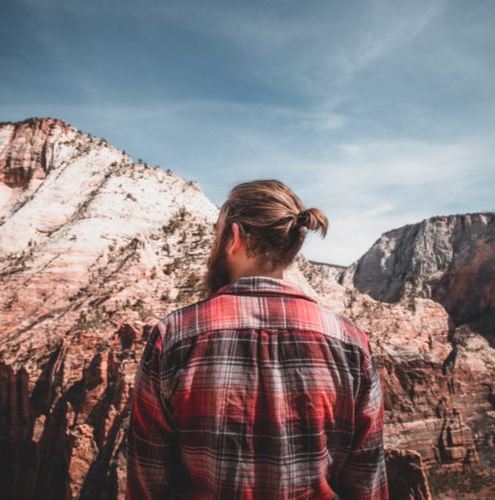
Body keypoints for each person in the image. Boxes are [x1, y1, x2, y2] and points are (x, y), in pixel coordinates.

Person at [126, 179, 389, 499]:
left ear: (234, 237)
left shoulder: (173, 338)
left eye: (217, 231)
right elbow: (368, 483)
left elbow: (148, 483)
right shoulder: (351, 343)